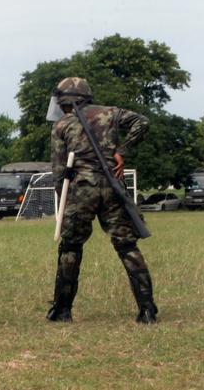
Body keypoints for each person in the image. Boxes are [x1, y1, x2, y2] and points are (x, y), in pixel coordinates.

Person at [46, 77, 157, 324]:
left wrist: (64, 201)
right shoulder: (112, 113)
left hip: (81, 190)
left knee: (71, 247)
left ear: (64, 101)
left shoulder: (61, 125)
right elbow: (143, 122)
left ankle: (62, 310)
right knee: (127, 246)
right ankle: (147, 309)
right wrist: (122, 151)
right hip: (113, 186)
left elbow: (58, 169)